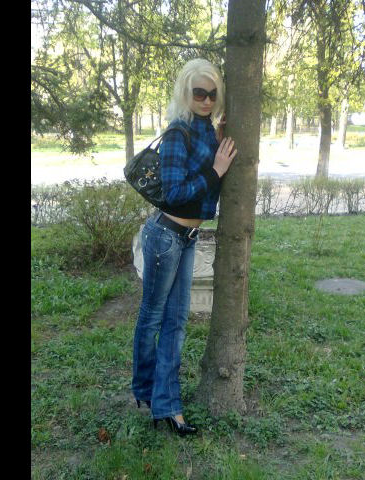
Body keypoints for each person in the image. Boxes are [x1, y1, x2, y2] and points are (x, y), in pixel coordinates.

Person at [131, 58, 238, 436]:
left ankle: (169, 406)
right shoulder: (178, 133)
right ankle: (146, 391)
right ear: (185, 93)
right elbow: (175, 193)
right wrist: (216, 170)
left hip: (187, 238)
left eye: (212, 94)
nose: (206, 100)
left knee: (176, 324)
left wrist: (219, 140)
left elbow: (204, 179)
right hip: (165, 237)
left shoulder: (206, 130)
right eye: (199, 93)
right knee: (152, 319)